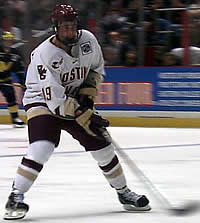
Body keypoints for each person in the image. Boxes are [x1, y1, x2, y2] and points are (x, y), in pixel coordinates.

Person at [3, 4, 150, 220]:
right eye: (65, 27)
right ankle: (15, 196)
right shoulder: (43, 54)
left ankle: (123, 193)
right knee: (43, 146)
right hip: (42, 101)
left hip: (74, 99)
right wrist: (84, 113)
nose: (69, 31)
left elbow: (95, 70)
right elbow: (54, 100)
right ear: (56, 28)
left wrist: (88, 96)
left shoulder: (88, 41)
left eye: (72, 27)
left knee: (104, 148)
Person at [0, 31, 25, 128]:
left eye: (9, 41)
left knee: (11, 99)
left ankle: (15, 118)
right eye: (6, 41)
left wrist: (21, 82)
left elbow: (19, 70)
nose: (8, 43)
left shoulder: (16, 54)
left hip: (6, 80)